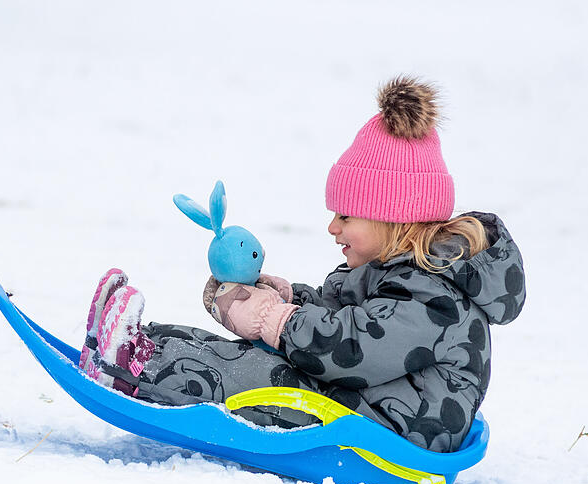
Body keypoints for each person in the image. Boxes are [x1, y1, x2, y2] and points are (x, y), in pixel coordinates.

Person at [79, 76, 525, 453]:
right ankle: (138, 342)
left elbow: (356, 350)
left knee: (257, 379)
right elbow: (345, 318)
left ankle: (135, 370)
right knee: (247, 356)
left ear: (393, 217)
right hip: (359, 399)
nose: (333, 227)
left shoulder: (434, 295)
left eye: (346, 216)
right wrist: (288, 300)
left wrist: (277, 320)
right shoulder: (391, 271)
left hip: (391, 427)